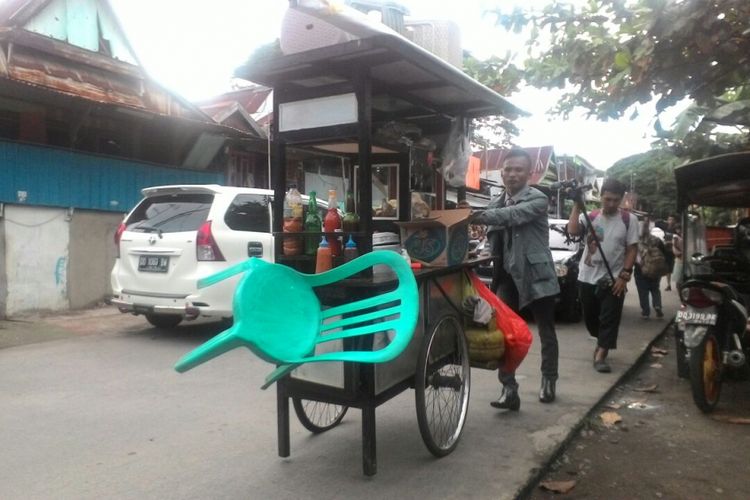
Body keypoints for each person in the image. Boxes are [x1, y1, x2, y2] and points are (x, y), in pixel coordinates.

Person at [473, 148, 560, 409]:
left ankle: (549, 379)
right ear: (501, 172)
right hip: (507, 276)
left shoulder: (538, 199)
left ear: (530, 173)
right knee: (504, 334)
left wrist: (471, 215)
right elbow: (493, 237)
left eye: (518, 170)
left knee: (546, 331)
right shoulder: (495, 202)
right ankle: (509, 388)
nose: (512, 174)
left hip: (537, 273)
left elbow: (512, 216)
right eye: (508, 169)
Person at [567, 178, 639, 373]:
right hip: (587, 276)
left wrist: (624, 275)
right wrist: (576, 204)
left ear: (622, 199)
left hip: (614, 278)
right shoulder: (590, 216)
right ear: (601, 197)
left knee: (610, 317)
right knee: (591, 318)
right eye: (607, 199)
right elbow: (572, 231)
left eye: (616, 200)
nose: (611, 204)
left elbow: (632, 248)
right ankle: (600, 341)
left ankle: (601, 355)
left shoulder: (629, 220)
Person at [634, 216, 665, 319]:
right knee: (655, 288)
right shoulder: (656, 239)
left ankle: (646, 312)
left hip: (641, 268)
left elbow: (632, 255)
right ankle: (657, 305)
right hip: (655, 267)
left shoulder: (635, 241)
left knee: (643, 291)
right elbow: (664, 252)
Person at [663, 215, 677, 290]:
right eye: (669, 219)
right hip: (667, 251)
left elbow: (678, 239)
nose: (670, 221)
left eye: (672, 219)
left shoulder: (676, 229)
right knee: (668, 268)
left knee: (675, 268)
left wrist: (670, 242)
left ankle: (678, 284)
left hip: (675, 251)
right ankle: (669, 285)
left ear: (674, 221)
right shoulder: (666, 228)